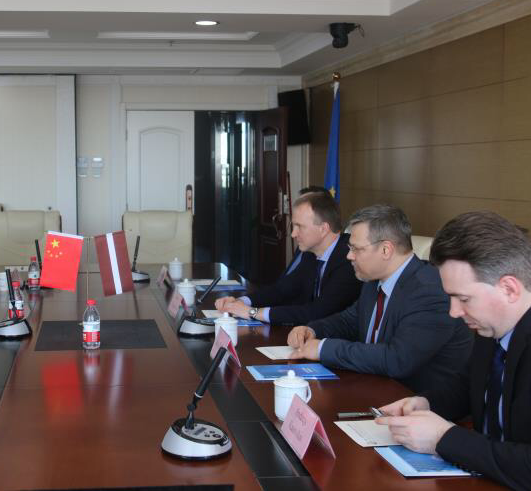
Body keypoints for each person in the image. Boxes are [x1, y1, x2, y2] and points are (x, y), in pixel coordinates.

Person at [377, 212, 531, 489]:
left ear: (509, 289)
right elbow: (468, 387)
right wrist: (425, 403)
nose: (454, 312)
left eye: (463, 298)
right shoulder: (490, 327)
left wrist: (442, 438)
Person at [287, 204, 472, 393]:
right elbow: (349, 321)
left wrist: (323, 349)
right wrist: (312, 330)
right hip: (375, 388)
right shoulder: (374, 280)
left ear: (385, 250)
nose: (349, 256)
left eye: (356, 249)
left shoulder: (429, 291)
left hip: (419, 400)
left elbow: (397, 359)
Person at [215, 190, 361, 325]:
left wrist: (252, 312)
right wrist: (240, 302)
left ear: (323, 229)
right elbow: (282, 290)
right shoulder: (311, 253)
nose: (293, 234)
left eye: (299, 226)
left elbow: (318, 312)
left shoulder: (350, 259)